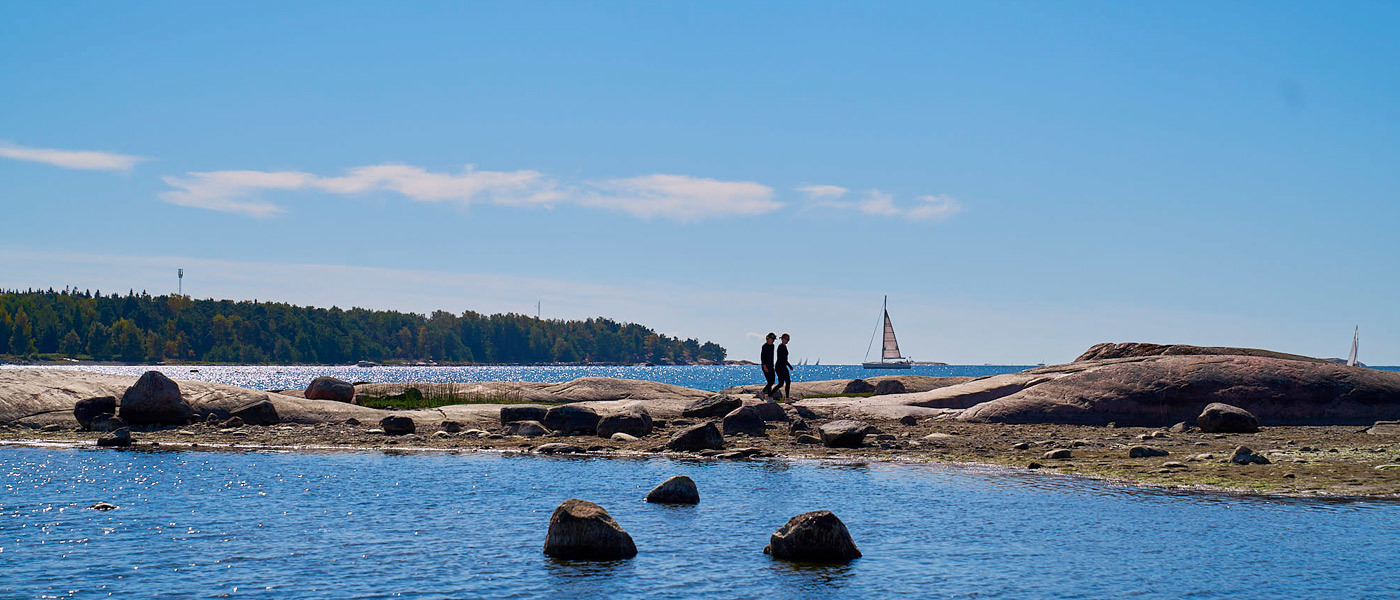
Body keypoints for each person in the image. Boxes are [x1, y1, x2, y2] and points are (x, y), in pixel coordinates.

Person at [774, 333, 793, 401]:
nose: (788, 340)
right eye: (787, 339)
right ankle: (769, 395)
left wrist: (789, 365)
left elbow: (785, 359)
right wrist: (789, 365)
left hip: (782, 366)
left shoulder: (784, 346)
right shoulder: (781, 347)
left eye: (788, 339)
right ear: (782, 339)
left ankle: (786, 398)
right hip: (780, 366)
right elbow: (782, 358)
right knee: (784, 382)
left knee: (783, 383)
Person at [760, 333, 777, 400]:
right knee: (770, 381)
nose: (773, 340)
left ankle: (763, 393)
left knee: (772, 381)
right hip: (765, 366)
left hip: (771, 366)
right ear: (768, 338)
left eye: (774, 339)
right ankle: (769, 396)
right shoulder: (764, 346)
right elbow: (762, 357)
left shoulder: (772, 346)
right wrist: (764, 366)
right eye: (772, 339)